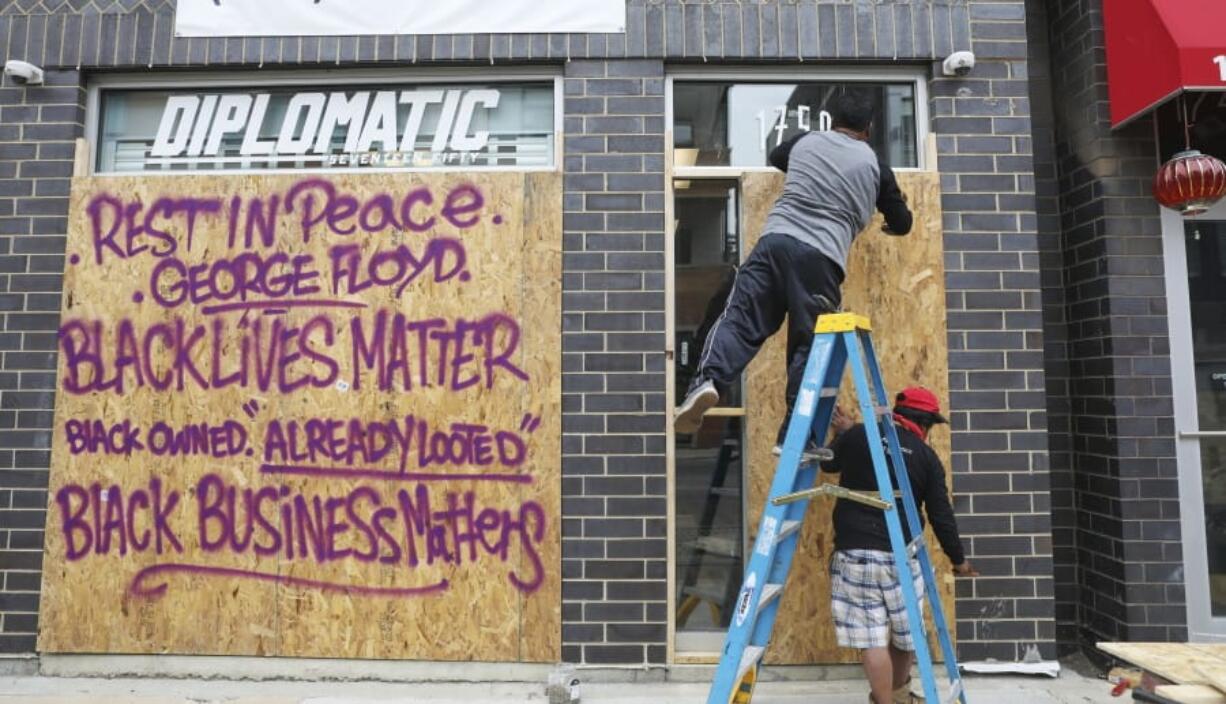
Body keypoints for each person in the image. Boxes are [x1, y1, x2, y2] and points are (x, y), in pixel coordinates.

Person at [674, 89, 914, 441]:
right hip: (821, 258)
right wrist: (890, 217)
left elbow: (776, 155)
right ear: (869, 127)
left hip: (774, 243)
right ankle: (794, 434)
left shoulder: (806, 143)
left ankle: (706, 381)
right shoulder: (875, 167)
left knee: (740, 320)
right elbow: (903, 221)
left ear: (832, 120)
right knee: (808, 344)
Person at [822, 387, 977, 704]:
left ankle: (884, 702)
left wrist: (844, 433)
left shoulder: (859, 435)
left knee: (871, 639)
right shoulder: (926, 458)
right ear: (926, 423)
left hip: (855, 552)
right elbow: (941, 515)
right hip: (901, 556)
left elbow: (827, 465)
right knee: (906, 636)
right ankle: (901, 695)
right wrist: (958, 560)